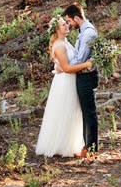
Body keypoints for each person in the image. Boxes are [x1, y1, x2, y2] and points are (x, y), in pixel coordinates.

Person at [35, 15, 93, 158]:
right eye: (63, 25)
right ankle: (61, 145)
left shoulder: (64, 41)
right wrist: (86, 65)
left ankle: (71, 143)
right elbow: (67, 68)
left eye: (67, 23)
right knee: (64, 112)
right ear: (57, 30)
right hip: (65, 83)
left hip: (70, 80)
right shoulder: (59, 46)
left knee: (71, 112)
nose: (67, 26)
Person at [63, 2, 99, 155]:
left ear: (76, 18)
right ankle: (88, 146)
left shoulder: (88, 33)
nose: (70, 25)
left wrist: (64, 64)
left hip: (87, 77)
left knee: (89, 112)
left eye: (70, 21)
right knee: (86, 112)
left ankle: (91, 149)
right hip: (83, 76)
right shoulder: (83, 32)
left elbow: (80, 59)